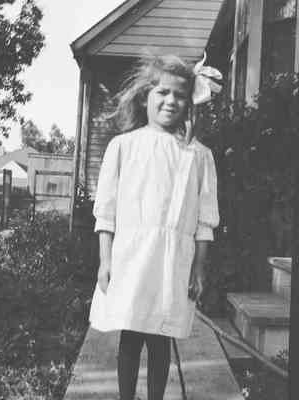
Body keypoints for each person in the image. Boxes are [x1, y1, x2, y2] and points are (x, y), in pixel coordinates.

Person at [89, 53, 221, 400]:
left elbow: (205, 219)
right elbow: (106, 213)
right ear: (146, 95)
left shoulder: (197, 155)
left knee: (161, 337)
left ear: (189, 102)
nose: (171, 101)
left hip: (172, 260)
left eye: (180, 95)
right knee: (131, 334)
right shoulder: (123, 146)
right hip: (131, 257)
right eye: (163, 92)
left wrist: (199, 268)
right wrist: (105, 261)